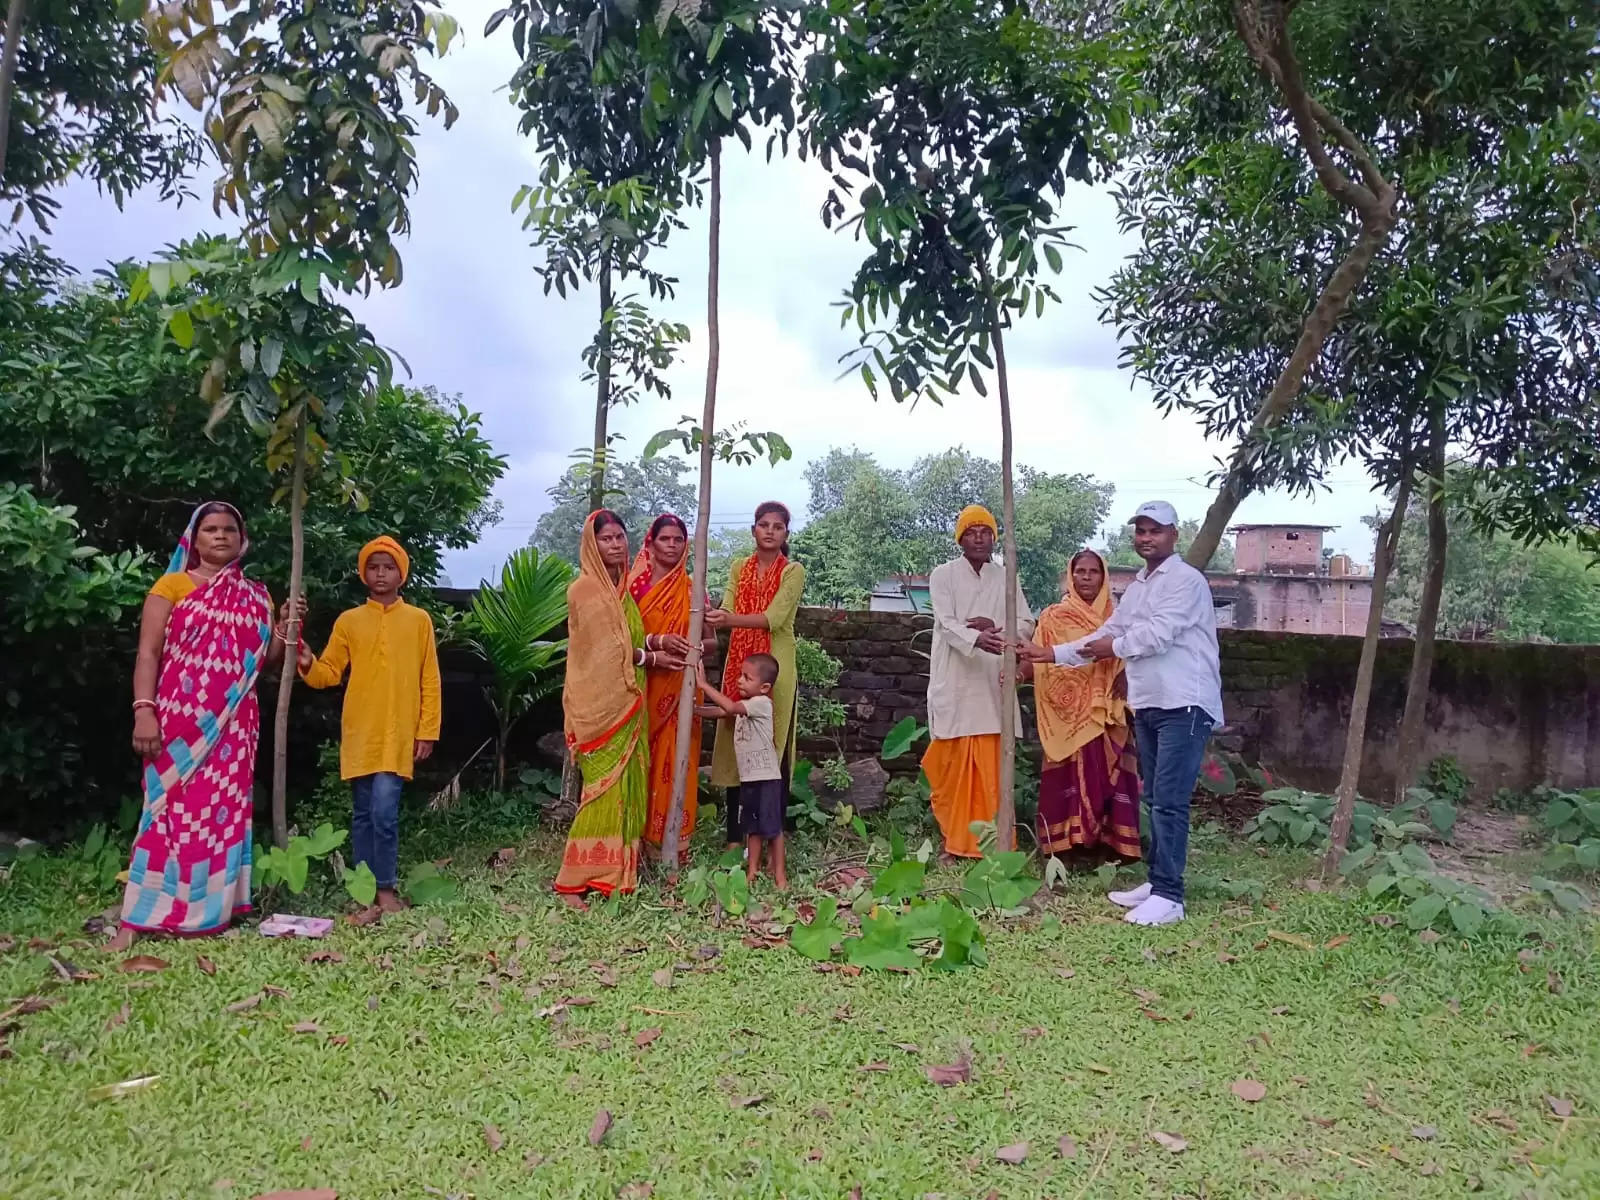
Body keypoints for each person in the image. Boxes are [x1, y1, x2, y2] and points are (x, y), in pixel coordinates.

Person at [1019, 502, 1222, 927]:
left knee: (1169, 801)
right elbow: (1109, 631)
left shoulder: (1186, 581)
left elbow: (1155, 635)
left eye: (1155, 531)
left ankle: (1170, 896)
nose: (1146, 538)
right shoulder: (1141, 586)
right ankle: (1157, 882)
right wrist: (1051, 653)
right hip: (1149, 703)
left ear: (1174, 535)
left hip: (1185, 703)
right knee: (1155, 797)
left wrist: (1111, 647)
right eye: (1141, 531)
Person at [111, 501, 299, 950]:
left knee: (220, 817)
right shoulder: (171, 586)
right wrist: (143, 710)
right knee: (163, 812)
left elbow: (266, 664)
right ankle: (139, 916)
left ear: (242, 538)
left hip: (234, 726)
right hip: (176, 720)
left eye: (229, 529)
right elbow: (148, 655)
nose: (220, 536)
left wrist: (284, 625)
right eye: (210, 529)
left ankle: (211, 909)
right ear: (193, 538)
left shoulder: (255, 594)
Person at [298, 535, 442, 916]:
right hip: (360, 730)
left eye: (388, 567)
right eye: (374, 567)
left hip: (398, 733)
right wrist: (307, 661)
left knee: (383, 810)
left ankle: (386, 888)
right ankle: (363, 887)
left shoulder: (418, 621)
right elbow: (328, 673)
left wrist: (427, 730)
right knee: (362, 812)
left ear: (402, 574)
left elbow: (430, 678)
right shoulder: (349, 621)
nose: (381, 574)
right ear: (364, 573)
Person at [555, 511, 685, 904]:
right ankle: (573, 881)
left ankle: (615, 874)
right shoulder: (584, 590)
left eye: (619, 537)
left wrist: (659, 642)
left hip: (630, 702)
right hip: (600, 707)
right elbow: (608, 652)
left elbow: (632, 635)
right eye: (606, 539)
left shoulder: (621, 590)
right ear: (592, 545)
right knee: (600, 794)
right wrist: (652, 660)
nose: (614, 545)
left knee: (628, 789)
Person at [922, 505, 1034, 860]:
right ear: (960, 539)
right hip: (956, 678)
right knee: (951, 763)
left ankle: (997, 844)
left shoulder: (1006, 577)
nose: (979, 538)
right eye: (971, 532)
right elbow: (945, 621)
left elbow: (1026, 622)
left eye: (985, 531)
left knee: (993, 771)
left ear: (994, 537)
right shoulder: (943, 575)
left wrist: (1002, 633)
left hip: (992, 680)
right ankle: (954, 842)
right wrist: (973, 635)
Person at [1023, 550, 1141, 861]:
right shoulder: (1052, 617)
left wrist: (1128, 674)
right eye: (1080, 571)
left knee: (1109, 775)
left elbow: (1136, 651)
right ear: (1070, 576)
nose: (1086, 577)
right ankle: (1064, 847)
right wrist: (1015, 672)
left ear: (1104, 576)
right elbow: (1039, 659)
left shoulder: (1117, 616)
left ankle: (1107, 847)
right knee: (1068, 776)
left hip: (1107, 709)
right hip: (1065, 712)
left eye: (1093, 571)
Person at [707, 501, 806, 850]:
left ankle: (769, 832)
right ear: (753, 531)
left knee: (769, 748)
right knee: (737, 746)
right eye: (763, 525)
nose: (769, 531)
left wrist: (727, 621)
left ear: (785, 534)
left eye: (777, 527)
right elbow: (728, 607)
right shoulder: (738, 567)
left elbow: (774, 618)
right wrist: (715, 614)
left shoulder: (793, 570)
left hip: (774, 667)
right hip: (740, 662)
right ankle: (736, 836)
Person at [627, 514, 710, 862]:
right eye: (666, 539)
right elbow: (622, 640)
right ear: (651, 542)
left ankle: (674, 845)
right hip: (641, 682)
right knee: (639, 760)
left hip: (684, 686)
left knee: (679, 763)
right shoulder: (633, 588)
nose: (672, 546)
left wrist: (694, 647)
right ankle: (635, 843)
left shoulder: (693, 589)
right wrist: (656, 650)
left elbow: (711, 640)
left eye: (679, 540)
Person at [696, 654, 788, 890]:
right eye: (740, 675)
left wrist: (704, 685)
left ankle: (780, 876)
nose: (739, 681)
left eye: (747, 678)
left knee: (774, 830)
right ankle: (753, 870)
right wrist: (693, 709)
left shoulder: (761, 703)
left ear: (765, 687)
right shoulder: (746, 704)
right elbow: (720, 712)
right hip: (749, 778)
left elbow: (728, 706)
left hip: (767, 779)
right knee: (753, 828)